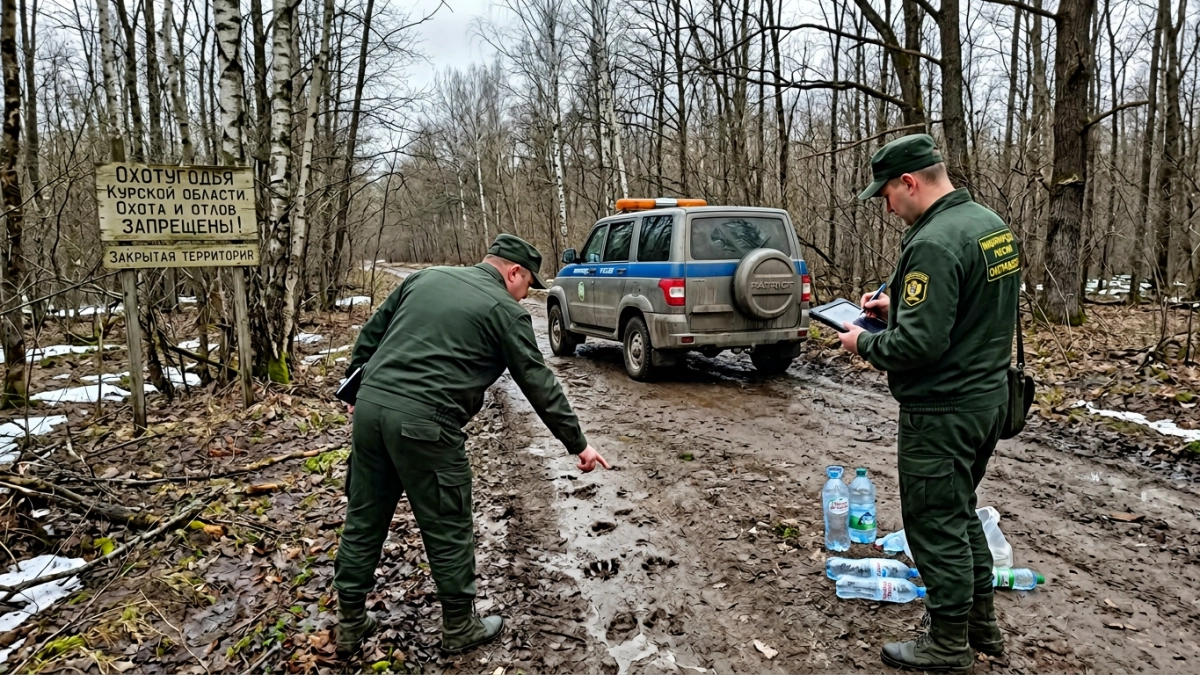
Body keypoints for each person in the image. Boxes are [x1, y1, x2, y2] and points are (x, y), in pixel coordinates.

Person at [333, 234, 610, 656]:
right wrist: (579, 445)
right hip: (426, 423)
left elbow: (372, 332)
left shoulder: (425, 278)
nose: (525, 295)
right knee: (447, 524)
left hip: (372, 410)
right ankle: (460, 625)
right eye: (526, 285)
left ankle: (351, 623)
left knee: (365, 515)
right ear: (513, 272)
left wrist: (354, 391)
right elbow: (537, 381)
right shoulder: (504, 311)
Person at [837, 134, 1020, 671]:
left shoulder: (933, 241)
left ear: (910, 183)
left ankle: (946, 644)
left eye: (887, 194)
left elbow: (917, 346)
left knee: (934, 524)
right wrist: (900, 304)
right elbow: (970, 306)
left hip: (942, 409)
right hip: (989, 399)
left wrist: (861, 341)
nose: (887, 206)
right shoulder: (990, 226)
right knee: (960, 512)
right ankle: (982, 626)